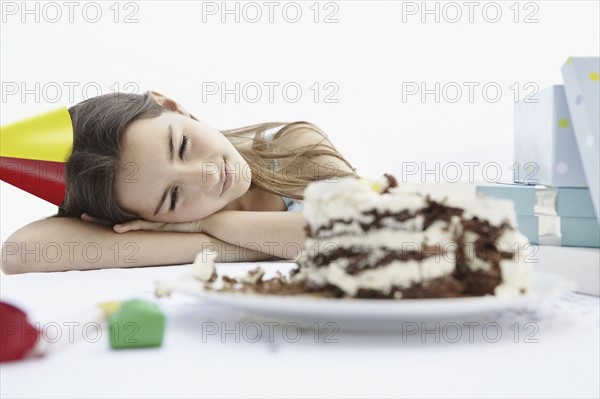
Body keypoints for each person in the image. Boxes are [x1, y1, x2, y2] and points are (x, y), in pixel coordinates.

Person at [1, 91, 357, 274]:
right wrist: (234, 240)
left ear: (170, 104)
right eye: (172, 198)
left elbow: (360, 234)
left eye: (182, 146)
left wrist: (206, 224)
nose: (207, 175)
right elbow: (19, 252)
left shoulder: (298, 147)